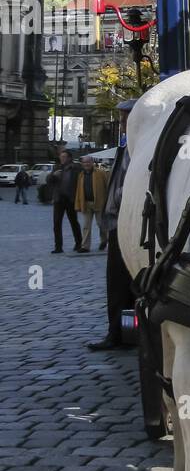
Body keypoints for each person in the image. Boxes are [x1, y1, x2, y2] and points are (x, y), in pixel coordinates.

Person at [89, 100, 136, 351]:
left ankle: (124, 334)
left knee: (124, 284)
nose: (122, 124)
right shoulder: (125, 144)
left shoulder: (138, 144)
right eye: (120, 120)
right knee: (119, 284)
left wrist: (117, 201)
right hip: (119, 221)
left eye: (125, 119)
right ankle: (121, 333)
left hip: (128, 222)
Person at [48, 149, 82, 253]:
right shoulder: (57, 168)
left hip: (70, 199)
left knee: (74, 222)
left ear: (69, 158)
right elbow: (48, 181)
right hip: (59, 199)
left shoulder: (76, 168)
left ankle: (79, 243)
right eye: (61, 157)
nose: (62, 159)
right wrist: (53, 176)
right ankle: (58, 246)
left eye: (64, 157)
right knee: (57, 223)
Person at [74, 155, 108, 252]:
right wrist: (78, 204)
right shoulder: (81, 175)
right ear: (82, 164)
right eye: (84, 162)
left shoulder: (101, 173)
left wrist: (108, 201)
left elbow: (107, 186)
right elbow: (78, 191)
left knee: (101, 224)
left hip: (99, 203)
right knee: (86, 226)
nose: (86, 164)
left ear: (92, 162)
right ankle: (85, 246)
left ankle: (104, 240)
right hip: (86, 204)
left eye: (88, 162)